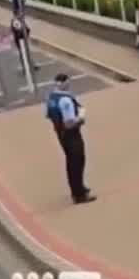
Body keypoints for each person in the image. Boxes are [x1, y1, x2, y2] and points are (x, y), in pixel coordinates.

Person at [46, 73, 95, 204]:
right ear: (65, 82)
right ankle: (78, 194)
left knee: (71, 161)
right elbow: (69, 123)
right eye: (68, 81)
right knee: (77, 162)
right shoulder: (65, 100)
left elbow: (50, 115)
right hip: (71, 134)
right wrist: (81, 117)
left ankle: (78, 188)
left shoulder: (52, 97)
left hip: (60, 133)